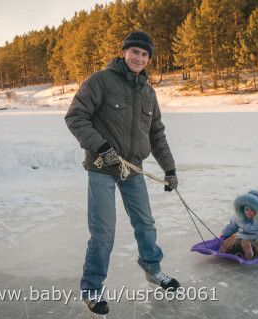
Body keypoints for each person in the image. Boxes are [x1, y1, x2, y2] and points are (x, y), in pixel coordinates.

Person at [65, 30, 180, 316]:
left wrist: (170, 168)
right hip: (102, 166)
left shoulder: (148, 93)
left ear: (149, 59)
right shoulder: (101, 80)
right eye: (135, 52)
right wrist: (101, 147)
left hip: (133, 169)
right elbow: (75, 116)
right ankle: (92, 290)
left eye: (145, 54)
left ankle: (153, 270)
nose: (139, 58)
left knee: (145, 223)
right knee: (103, 231)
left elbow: (156, 134)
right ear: (124, 52)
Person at [219, 190, 258, 260]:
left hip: (257, 238)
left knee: (256, 244)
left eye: (252, 210)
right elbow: (232, 226)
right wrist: (225, 234)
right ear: (242, 209)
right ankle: (227, 247)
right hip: (241, 238)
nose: (249, 212)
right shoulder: (238, 218)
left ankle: (249, 251)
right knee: (237, 242)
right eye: (246, 209)